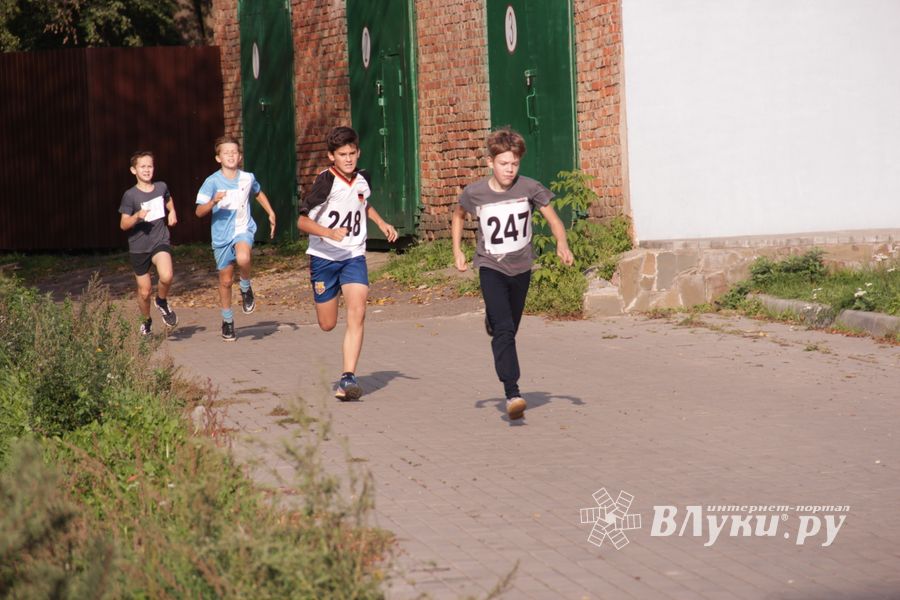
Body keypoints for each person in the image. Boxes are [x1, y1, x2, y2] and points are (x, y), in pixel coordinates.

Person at [451, 128, 574, 420]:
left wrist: (562, 243)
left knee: (509, 327)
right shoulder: (475, 192)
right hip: (490, 266)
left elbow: (553, 219)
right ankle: (513, 392)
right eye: (504, 163)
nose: (509, 169)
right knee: (505, 331)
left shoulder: (530, 188)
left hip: (521, 268)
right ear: (490, 162)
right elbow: (458, 215)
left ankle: (494, 321)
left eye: (515, 164)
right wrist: (457, 250)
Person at [297, 126, 398, 400]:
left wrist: (382, 223)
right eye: (342, 155)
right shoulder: (325, 182)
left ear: (358, 152)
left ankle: (348, 377)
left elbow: (363, 203)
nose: (349, 159)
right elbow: (302, 221)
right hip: (324, 258)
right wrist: (328, 233)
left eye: (352, 153)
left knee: (358, 310)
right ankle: (331, 293)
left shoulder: (363, 179)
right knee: (327, 323)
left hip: (353, 255)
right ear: (332, 156)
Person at [195, 136, 276, 341]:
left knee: (243, 257)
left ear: (240, 156)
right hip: (221, 236)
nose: (231, 155)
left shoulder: (247, 178)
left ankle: (246, 287)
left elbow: (258, 193)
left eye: (234, 152)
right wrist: (213, 201)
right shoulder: (212, 182)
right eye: (226, 153)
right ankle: (227, 320)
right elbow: (199, 211)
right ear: (218, 158)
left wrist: (270, 212)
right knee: (225, 281)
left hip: (243, 229)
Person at [118, 150, 179, 335]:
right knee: (144, 292)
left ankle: (161, 301)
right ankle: (146, 321)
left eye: (150, 166)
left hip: (160, 240)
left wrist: (172, 211)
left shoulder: (161, 187)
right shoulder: (130, 195)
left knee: (167, 275)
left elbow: (168, 199)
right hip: (139, 247)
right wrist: (137, 216)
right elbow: (123, 224)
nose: (147, 170)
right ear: (133, 170)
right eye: (142, 167)